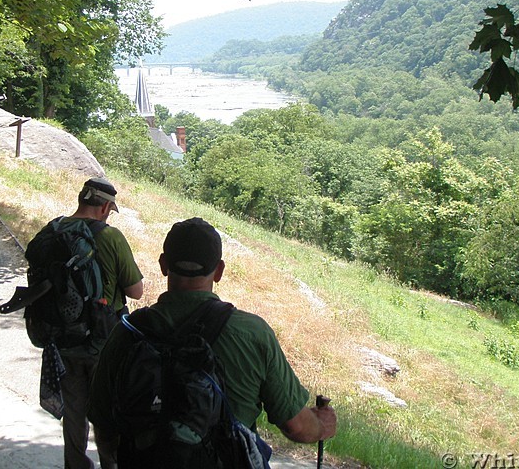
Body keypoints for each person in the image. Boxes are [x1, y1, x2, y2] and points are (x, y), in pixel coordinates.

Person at [87, 216, 337, 467]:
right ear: (219, 271)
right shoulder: (253, 334)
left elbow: (103, 421)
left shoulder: (127, 333)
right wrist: (321, 425)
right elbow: (296, 426)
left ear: (163, 265)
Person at [56, 177, 144, 469]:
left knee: (74, 411)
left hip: (64, 337)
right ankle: (110, 464)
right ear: (106, 206)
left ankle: (75, 464)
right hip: (104, 342)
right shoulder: (110, 237)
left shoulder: (55, 230)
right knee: (106, 413)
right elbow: (136, 291)